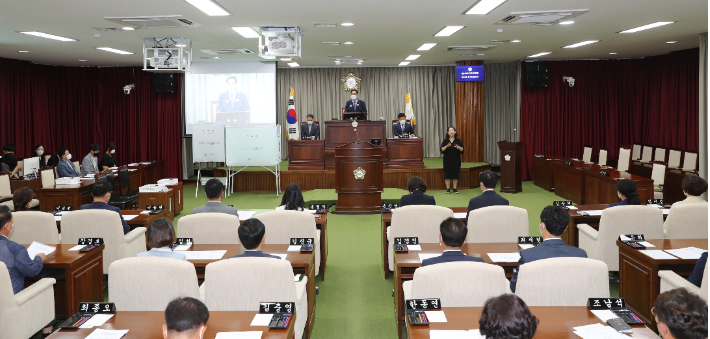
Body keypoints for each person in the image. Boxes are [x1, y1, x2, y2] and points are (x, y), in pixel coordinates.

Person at [0, 205, 54, 336]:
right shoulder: (14, 249)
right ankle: (47, 333)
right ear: (7, 226)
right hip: (10, 302)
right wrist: (39, 258)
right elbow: (32, 270)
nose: (13, 225)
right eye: (12, 223)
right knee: (44, 289)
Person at [509, 205, 588, 292]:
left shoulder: (527, 256)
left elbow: (514, 286)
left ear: (542, 225)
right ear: (565, 228)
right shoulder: (581, 255)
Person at [441, 126, 464, 194]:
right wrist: (446, 146)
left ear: (455, 132)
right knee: (447, 174)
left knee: (455, 173)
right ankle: (448, 189)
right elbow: (441, 150)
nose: (451, 131)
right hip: (447, 160)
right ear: (448, 133)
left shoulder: (458, 141)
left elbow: (462, 150)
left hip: (456, 160)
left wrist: (458, 147)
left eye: (452, 130)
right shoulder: (445, 141)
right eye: (450, 130)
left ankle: (454, 188)